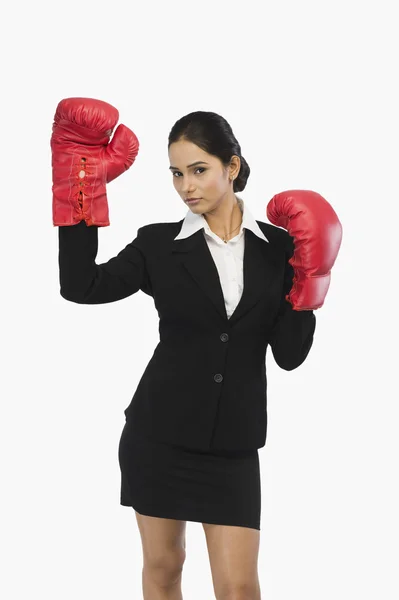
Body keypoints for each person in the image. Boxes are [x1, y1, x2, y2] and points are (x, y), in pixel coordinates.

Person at [52, 98, 341, 600]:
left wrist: (310, 282)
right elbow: (82, 286)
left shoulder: (280, 248)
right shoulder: (158, 245)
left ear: (232, 166)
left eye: (200, 170)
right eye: (176, 173)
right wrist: (81, 187)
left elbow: (290, 355)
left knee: (238, 587)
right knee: (165, 570)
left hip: (233, 446)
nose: (186, 186)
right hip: (157, 436)